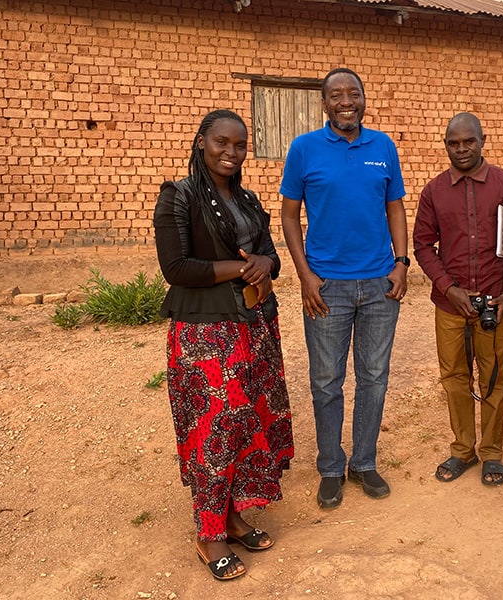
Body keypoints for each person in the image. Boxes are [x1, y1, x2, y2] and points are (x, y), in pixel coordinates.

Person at [153, 109, 294, 580]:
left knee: (246, 423)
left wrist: (261, 264)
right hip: (205, 336)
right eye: (221, 143)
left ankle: (233, 518)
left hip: (254, 325)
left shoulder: (250, 200)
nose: (231, 153)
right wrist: (242, 268)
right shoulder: (179, 195)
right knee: (214, 430)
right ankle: (208, 532)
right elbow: (176, 268)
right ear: (201, 143)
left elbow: (271, 257)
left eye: (239, 145)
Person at [280, 68, 408, 509]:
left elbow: (395, 208)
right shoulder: (304, 149)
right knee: (326, 381)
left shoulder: (383, 147)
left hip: (378, 285)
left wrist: (401, 262)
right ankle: (331, 467)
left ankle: (365, 463)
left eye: (354, 92)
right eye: (337, 95)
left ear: (364, 99)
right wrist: (304, 275)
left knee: (373, 378)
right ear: (324, 104)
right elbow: (289, 216)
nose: (346, 101)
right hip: (326, 286)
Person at [413, 112, 503, 486]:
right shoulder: (434, 191)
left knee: (494, 377)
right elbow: (422, 246)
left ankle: (492, 452)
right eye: (453, 143)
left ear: (483, 140)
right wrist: (449, 288)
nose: (461, 149)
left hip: (494, 302)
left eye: (468, 141)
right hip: (450, 304)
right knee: (455, 378)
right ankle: (463, 449)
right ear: (445, 144)